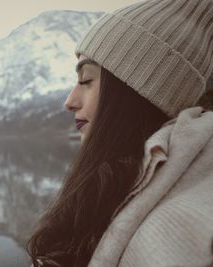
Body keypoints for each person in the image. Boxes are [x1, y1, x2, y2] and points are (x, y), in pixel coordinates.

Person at [26, 0, 213, 266]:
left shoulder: (179, 231)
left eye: (86, 80)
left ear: (135, 94)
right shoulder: (120, 184)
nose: (69, 101)